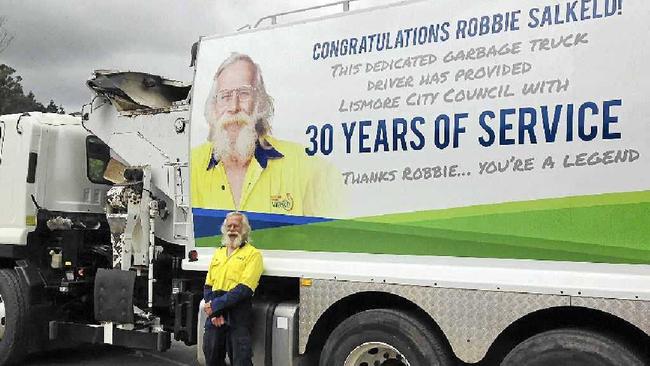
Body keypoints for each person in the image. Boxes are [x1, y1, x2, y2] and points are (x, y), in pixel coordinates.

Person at [191, 52, 342, 218]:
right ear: (214, 107)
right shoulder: (192, 166)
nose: (233, 107)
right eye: (225, 96)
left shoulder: (304, 165)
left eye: (243, 94)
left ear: (260, 102)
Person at [203, 211, 263, 366]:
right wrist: (215, 312)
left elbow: (244, 289)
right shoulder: (218, 253)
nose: (232, 229)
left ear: (244, 229)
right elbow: (208, 285)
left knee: (240, 360)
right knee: (211, 358)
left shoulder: (253, 254)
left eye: (236, 226)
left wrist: (215, 307)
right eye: (229, 226)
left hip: (238, 315)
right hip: (216, 316)